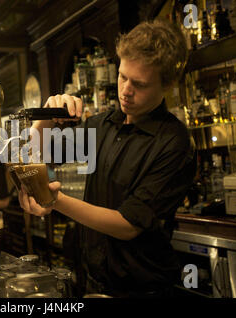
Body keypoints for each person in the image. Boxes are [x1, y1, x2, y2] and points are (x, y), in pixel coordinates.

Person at [18, 20, 196, 297]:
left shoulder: (173, 142)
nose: (125, 90)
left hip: (142, 291)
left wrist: (55, 200)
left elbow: (127, 225)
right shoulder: (104, 125)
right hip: (90, 280)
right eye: (123, 76)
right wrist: (46, 115)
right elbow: (38, 155)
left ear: (167, 85)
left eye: (139, 84)